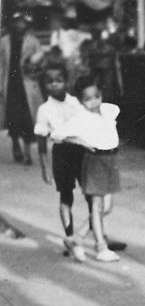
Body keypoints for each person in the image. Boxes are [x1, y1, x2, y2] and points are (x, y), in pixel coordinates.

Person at [57, 75, 122, 262]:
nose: (93, 102)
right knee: (97, 206)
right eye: (87, 99)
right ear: (80, 101)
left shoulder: (108, 110)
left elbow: (114, 111)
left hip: (111, 159)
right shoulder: (81, 118)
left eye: (96, 97)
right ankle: (101, 247)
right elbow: (58, 134)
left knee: (106, 206)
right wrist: (81, 141)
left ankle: (76, 239)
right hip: (95, 161)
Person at [34, 61, 88, 262]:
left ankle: (96, 235)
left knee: (93, 195)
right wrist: (45, 166)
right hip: (61, 154)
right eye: (49, 82)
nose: (55, 84)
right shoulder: (45, 109)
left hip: (81, 152)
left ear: (67, 81)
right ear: (44, 85)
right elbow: (41, 140)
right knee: (66, 196)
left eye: (59, 80)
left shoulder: (75, 102)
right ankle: (69, 235)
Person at [0, 11, 45, 165]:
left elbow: (40, 56)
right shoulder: (4, 41)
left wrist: (33, 61)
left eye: (22, 22)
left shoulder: (32, 41)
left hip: (27, 84)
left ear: (26, 24)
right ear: (12, 24)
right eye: (16, 22)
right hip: (11, 84)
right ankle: (15, 145)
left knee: (27, 119)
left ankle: (27, 154)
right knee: (13, 118)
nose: (19, 25)